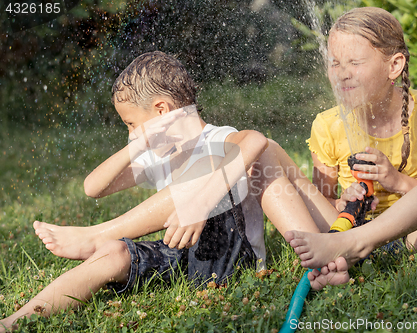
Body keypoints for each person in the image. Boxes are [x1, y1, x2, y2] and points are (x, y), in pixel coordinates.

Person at [0, 51, 272, 331]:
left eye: (131, 124)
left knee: (206, 165)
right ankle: (12, 323)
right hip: (182, 258)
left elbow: (255, 140)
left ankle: (98, 234)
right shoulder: (161, 156)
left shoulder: (215, 140)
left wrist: (199, 204)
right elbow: (94, 187)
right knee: (114, 253)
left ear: (162, 111)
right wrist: (137, 145)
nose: (130, 132)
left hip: (234, 261)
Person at [284, 7, 417, 290]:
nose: (342, 74)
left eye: (355, 62)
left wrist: (398, 182)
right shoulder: (327, 124)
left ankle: (351, 248)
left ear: (394, 66)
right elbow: (324, 199)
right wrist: (343, 202)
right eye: (334, 63)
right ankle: (337, 262)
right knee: (268, 150)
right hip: (348, 229)